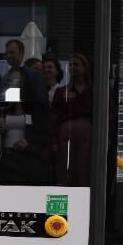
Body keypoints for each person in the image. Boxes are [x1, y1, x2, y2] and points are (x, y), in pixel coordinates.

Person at [52, 52, 92, 185]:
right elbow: (55, 118)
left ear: (85, 68)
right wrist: (54, 141)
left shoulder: (95, 91)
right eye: (70, 65)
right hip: (66, 133)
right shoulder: (61, 91)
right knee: (66, 169)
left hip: (88, 133)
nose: (72, 67)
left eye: (76, 64)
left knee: (85, 168)